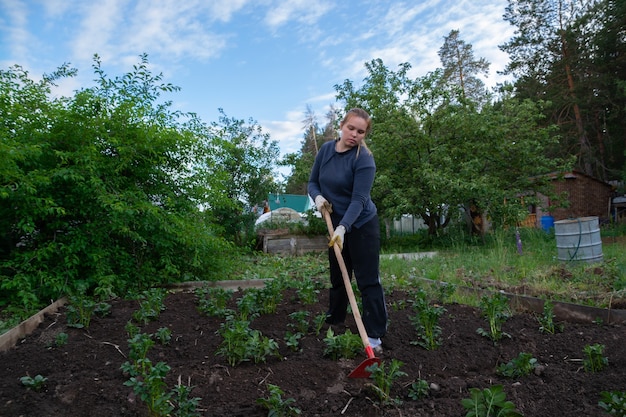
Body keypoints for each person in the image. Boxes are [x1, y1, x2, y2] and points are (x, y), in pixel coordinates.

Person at [307, 108, 387, 353]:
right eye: (351, 128)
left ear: (364, 135)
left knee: (367, 280)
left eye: (360, 131)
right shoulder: (326, 151)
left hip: (361, 224)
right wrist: (318, 197)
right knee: (339, 278)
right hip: (335, 223)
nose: (354, 134)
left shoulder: (364, 160)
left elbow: (359, 199)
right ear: (342, 125)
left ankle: (374, 335)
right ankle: (335, 321)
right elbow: (313, 182)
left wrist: (344, 227)